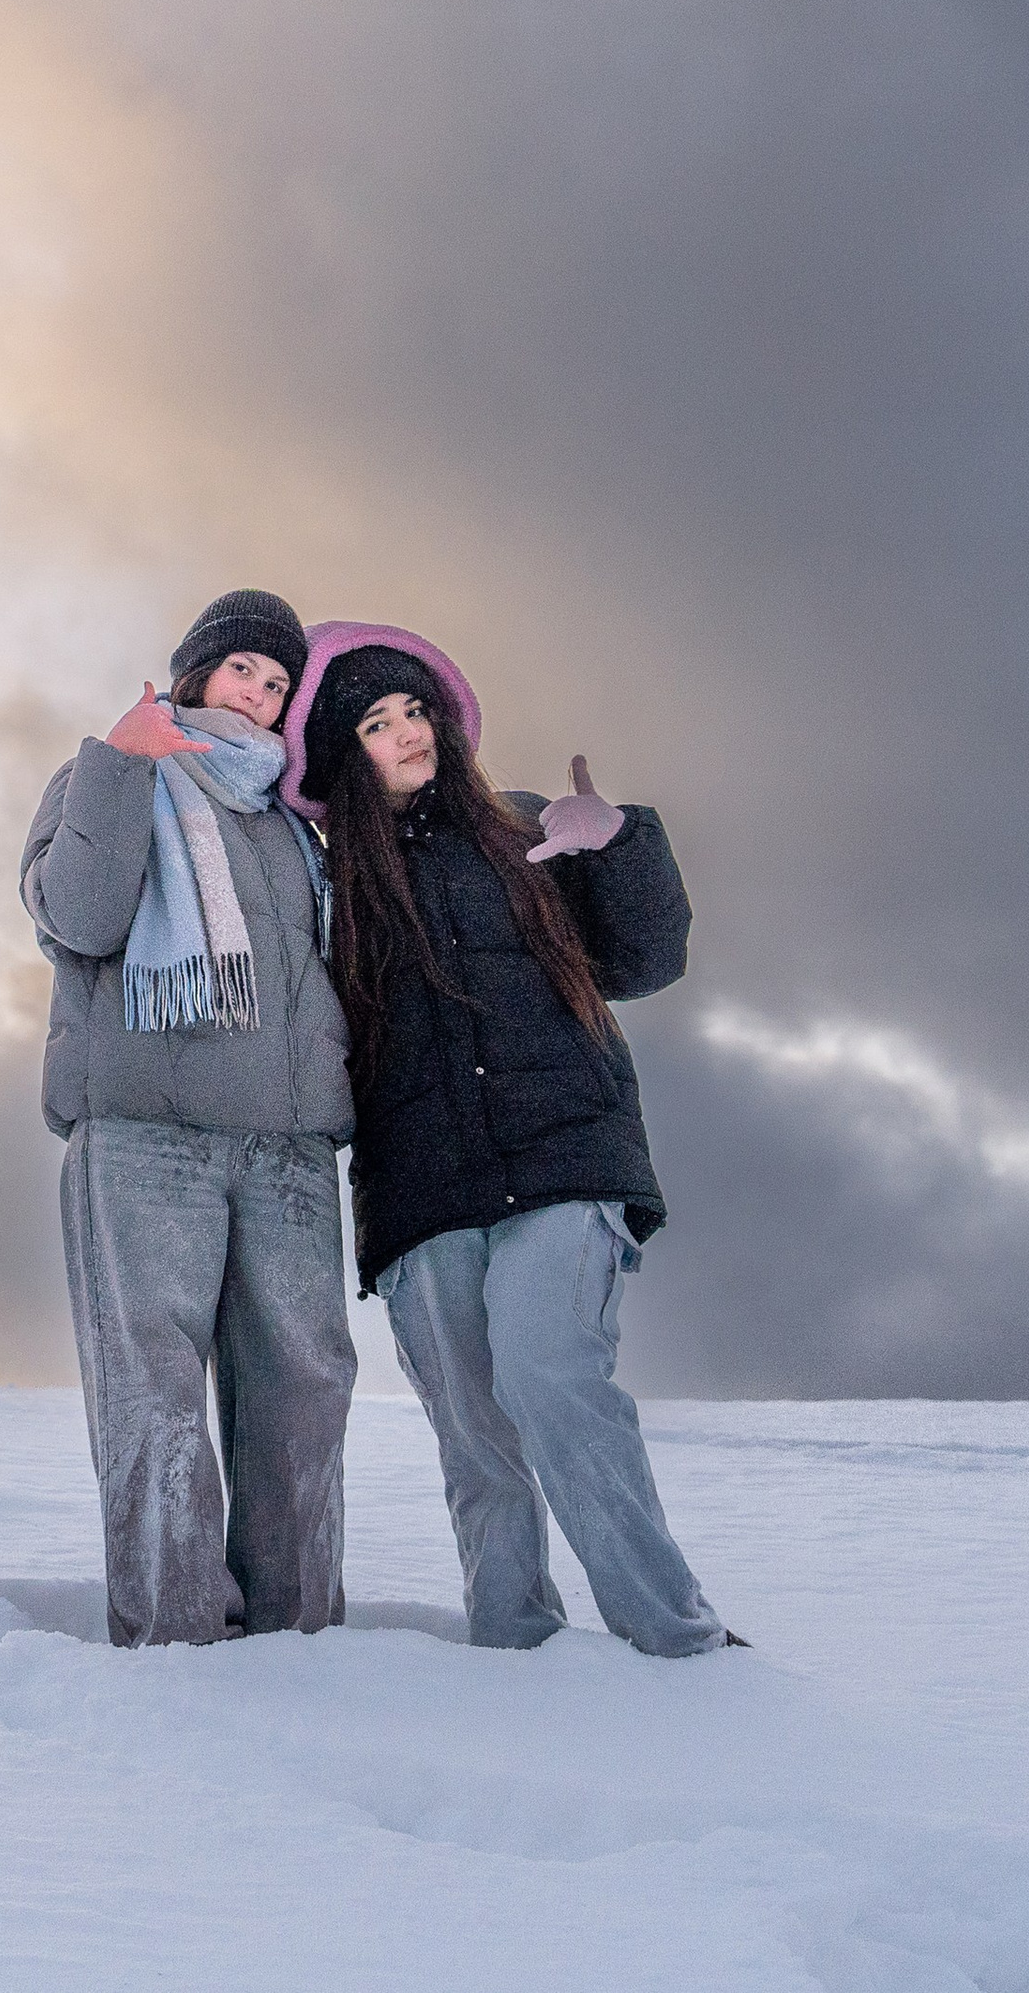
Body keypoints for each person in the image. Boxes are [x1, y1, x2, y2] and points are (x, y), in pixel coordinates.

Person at [280, 620, 734, 1658]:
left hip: (564, 1157)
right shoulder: (329, 884)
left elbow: (643, 960)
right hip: (420, 1189)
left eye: (415, 711)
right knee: (474, 1434)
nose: (408, 733)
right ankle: (513, 1648)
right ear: (343, 754)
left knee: (548, 1375)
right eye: (377, 723)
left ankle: (675, 1639)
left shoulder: (526, 830)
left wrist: (617, 847)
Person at [21, 588, 358, 1647]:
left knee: (305, 1389)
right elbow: (78, 916)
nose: (257, 693)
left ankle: (299, 1639)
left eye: (277, 681)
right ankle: (174, 1640)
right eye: (242, 668)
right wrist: (122, 766)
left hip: (286, 1147)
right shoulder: (106, 775)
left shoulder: (294, 823)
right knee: (154, 1388)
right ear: (196, 670)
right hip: (145, 1137)